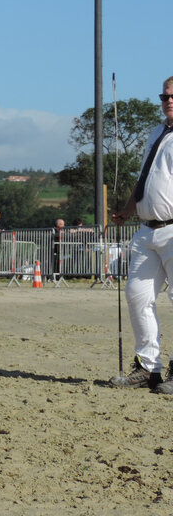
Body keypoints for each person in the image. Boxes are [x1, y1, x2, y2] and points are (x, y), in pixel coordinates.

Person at [110, 76, 173, 393]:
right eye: (165, 96)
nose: (169, 101)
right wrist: (126, 210)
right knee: (137, 295)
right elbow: (145, 180)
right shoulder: (156, 132)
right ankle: (148, 367)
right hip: (147, 230)